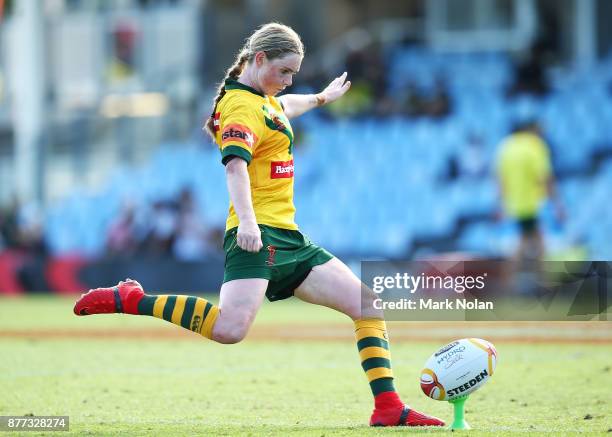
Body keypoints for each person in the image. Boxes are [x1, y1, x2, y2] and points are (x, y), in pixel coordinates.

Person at [73, 23, 444, 427]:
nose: (287, 82)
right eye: (284, 72)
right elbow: (235, 167)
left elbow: (286, 109)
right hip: (258, 234)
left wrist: (322, 97)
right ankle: (132, 299)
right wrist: (248, 223)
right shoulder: (240, 106)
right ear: (259, 58)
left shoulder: (263, 100)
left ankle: (388, 407)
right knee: (230, 329)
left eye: (293, 76)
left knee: (367, 304)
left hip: (290, 237)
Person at [496, 120, 564, 261]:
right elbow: (545, 177)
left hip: (514, 205)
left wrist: (500, 204)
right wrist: (557, 204)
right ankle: (517, 279)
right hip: (535, 204)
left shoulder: (505, 147)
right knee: (534, 243)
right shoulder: (535, 145)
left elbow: (500, 179)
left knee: (533, 242)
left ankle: (534, 278)